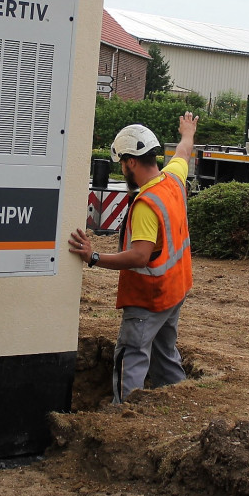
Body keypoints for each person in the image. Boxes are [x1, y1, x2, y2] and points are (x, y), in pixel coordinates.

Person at [68, 112, 198, 403]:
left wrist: (93, 256)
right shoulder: (174, 180)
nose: (123, 170)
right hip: (175, 290)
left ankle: (125, 416)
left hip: (148, 298)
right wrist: (187, 131)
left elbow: (140, 256)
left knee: (132, 357)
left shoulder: (146, 204)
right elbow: (183, 151)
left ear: (130, 162)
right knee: (165, 356)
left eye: (122, 164)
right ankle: (177, 406)